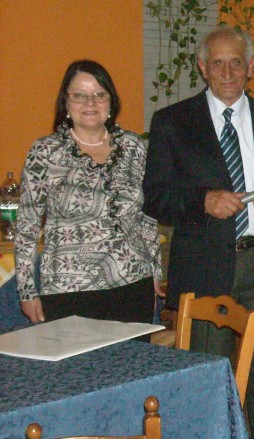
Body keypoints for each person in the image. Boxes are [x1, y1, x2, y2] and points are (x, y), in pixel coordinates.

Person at [143, 25, 254, 438]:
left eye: (237, 62)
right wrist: (203, 201)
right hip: (204, 268)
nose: (228, 72)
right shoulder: (172, 122)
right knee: (207, 379)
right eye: (218, 63)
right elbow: (156, 198)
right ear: (203, 67)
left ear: (251, 66)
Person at [15, 60, 162, 326]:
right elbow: (27, 225)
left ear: (110, 101)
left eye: (99, 94)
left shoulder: (133, 146)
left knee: (134, 355)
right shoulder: (45, 152)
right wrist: (27, 291)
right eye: (79, 95)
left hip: (133, 285)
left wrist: (155, 274)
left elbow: (147, 217)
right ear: (66, 103)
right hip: (69, 290)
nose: (90, 103)